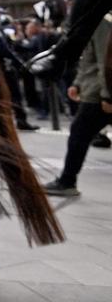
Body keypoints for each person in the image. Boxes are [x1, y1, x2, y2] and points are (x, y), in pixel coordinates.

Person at [43, 14, 112, 197]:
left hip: (100, 93)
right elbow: (90, 56)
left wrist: (108, 96)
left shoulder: (104, 18)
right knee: (79, 133)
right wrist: (78, 83)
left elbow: (107, 59)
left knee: (79, 133)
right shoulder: (95, 18)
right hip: (96, 89)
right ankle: (67, 180)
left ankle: (67, 181)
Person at [0, 6, 41, 131]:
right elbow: (4, 49)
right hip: (3, 66)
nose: (0, 17)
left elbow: (11, 45)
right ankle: (19, 120)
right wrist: (20, 63)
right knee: (14, 94)